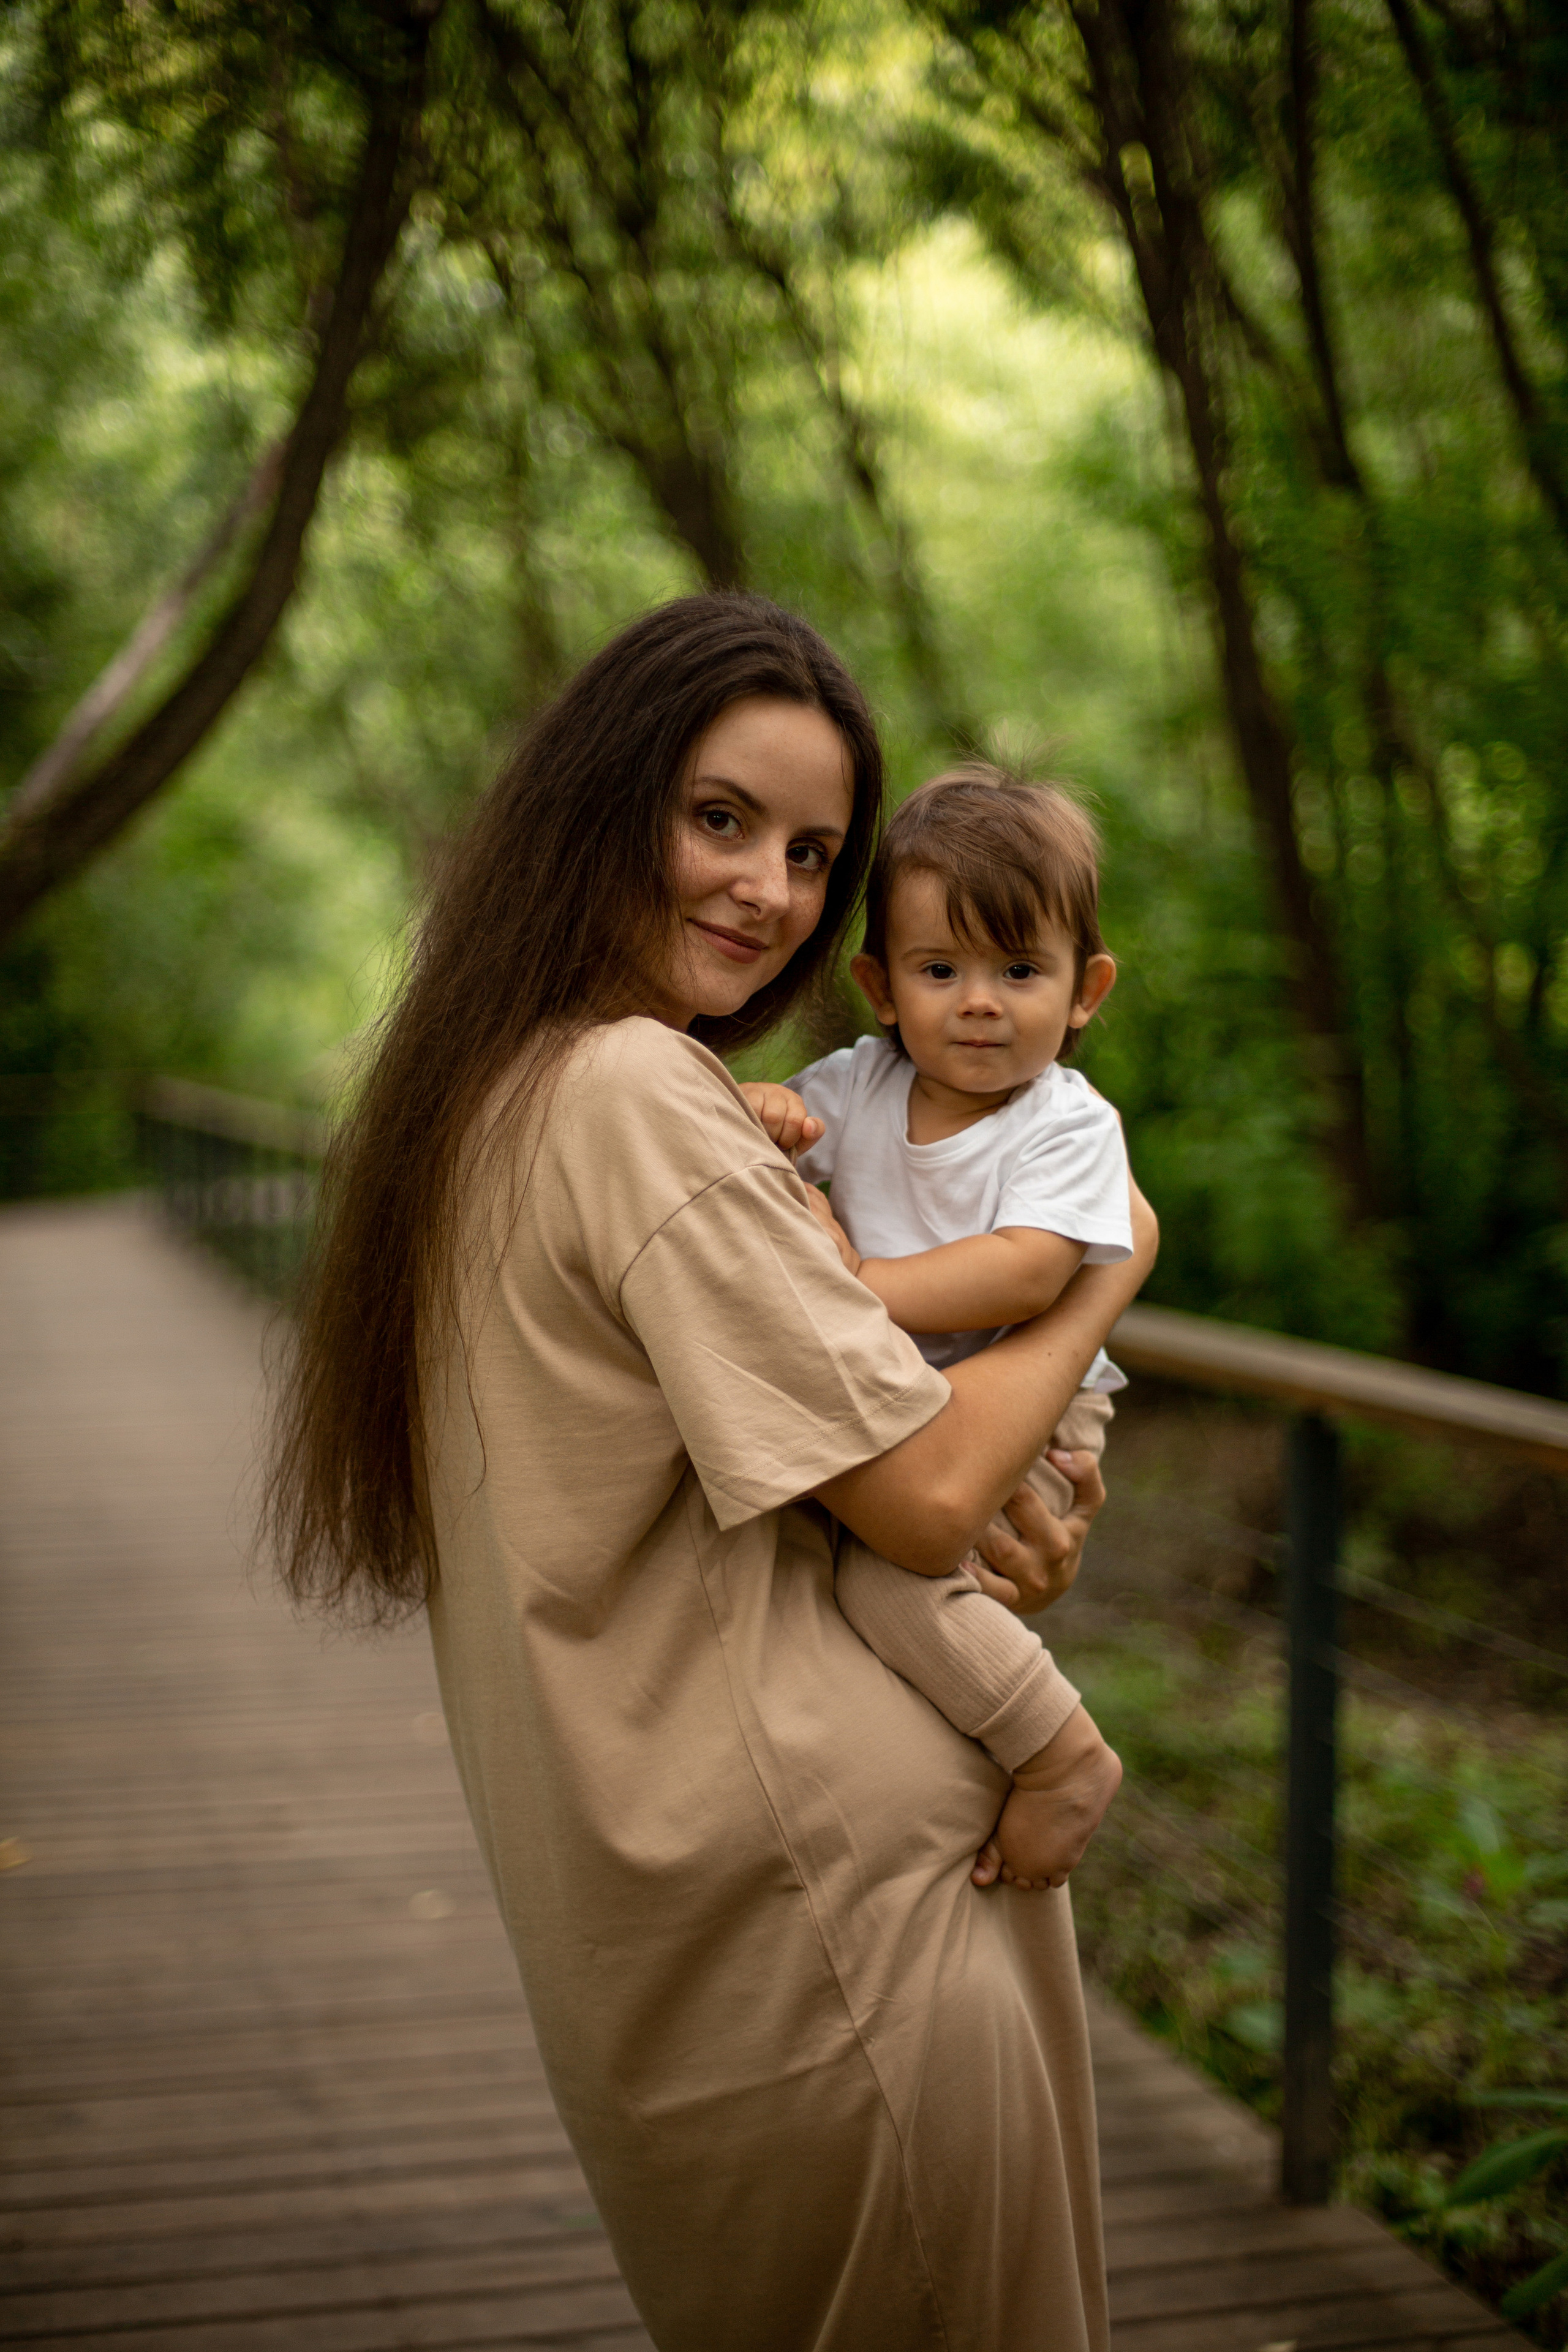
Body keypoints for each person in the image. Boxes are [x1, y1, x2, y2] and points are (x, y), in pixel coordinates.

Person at [268, 594, 1158, 2352]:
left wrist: (991, 1507)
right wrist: (1111, 1270)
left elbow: (877, 1493)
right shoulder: (634, 1099)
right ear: (601, 802)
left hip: (713, 1945)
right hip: (846, 1940)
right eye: (721, 818)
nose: (767, 888)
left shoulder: (490, 1099)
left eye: (814, 852)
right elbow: (916, 1500)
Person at [740, 765, 1131, 1893]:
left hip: (1043, 1419)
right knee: (845, 1579)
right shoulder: (861, 1086)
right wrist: (765, 1108)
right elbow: (774, 1142)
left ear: (1085, 987)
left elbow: (1030, 1271)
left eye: (1020, 970)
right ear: (880, 985)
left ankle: (1059, 1751)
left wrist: (862, 1280)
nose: (978, 1001)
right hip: (906, 1412)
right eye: (939, 968)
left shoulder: (1068, 1122)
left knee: (885, 1585)